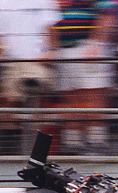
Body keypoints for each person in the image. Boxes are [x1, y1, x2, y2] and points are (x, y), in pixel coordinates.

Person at [49, 0, 118, 154]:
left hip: (89, 47)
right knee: (69, 98)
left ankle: (96, 143)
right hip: (64, 50)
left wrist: (96, 43)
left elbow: (108, 14)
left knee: (93, 96)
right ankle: (73, 144)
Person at [0, 0, 60, 153]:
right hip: (10, 62)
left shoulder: (45, 2)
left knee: (36, 99)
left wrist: (51, 51)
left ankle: (35, 150)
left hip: (37, 60)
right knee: (9, 101)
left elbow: (51, 28)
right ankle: (10, 148)